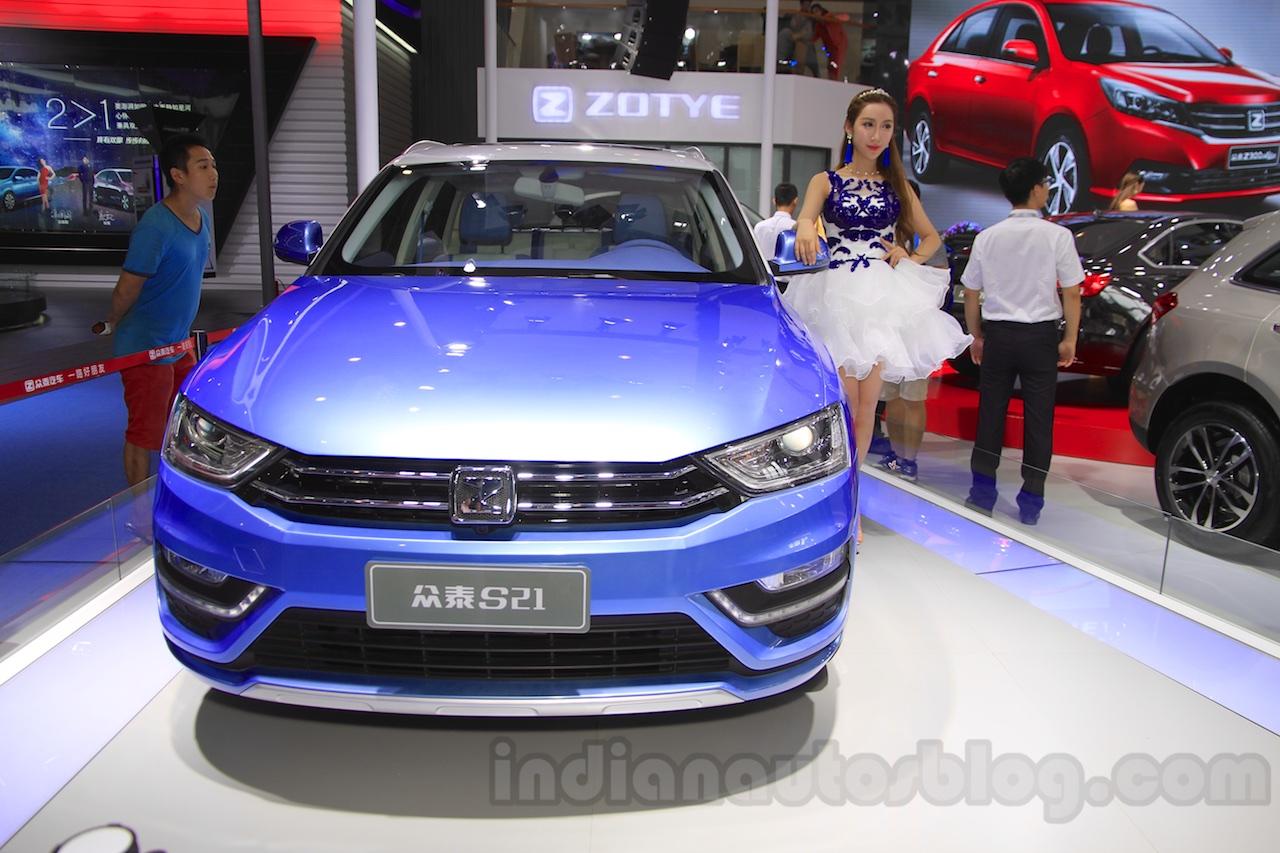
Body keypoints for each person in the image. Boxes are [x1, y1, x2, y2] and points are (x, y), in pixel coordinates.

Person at [789, 88, 972, 543]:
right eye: (869, 124)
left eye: (886, 126)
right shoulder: (824, 181)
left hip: (879, 298)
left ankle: (850, 505)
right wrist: (805, 229)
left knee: (867, 408)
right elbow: (805, 220)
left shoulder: (897, 187)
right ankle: (829, 499)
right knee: (840, 407)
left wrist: (908, 255)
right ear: (850, 128)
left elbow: (932, 238)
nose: (877, 134)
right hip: (833, 296)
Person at [961, 157, 1084, 525]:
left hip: (999, 334)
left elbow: (971, 292)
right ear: (1035, 189)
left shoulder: (987, 237)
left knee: (990, 414)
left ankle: (982, 493)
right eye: (1046, 183)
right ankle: (1031, 502)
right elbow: (1072, 292)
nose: (1048, 189)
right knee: (1039, 419)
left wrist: (977, 336)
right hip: (1039, 336)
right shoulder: (1057, 236)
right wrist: (1070, 338)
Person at [94, 133, 217, 490]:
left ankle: (176, 493)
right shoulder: (155, 226)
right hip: (146, 348)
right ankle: (138, 508)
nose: (214, 174)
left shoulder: (200, 219)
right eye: (203, 166)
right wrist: (113, 321)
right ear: (178, 176)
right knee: (144, 433)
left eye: (214, 165)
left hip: (177, 344)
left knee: (186, 427)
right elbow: (127, 288)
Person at [753, 182, 799, 263]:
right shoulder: (796, 228)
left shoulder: (759, 227)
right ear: (795, 201)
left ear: (774, 201)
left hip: (761, 270)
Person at [779, 1, 821, 77]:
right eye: (805, 4)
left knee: (802, 49)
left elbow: (808, 32)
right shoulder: (797, 15)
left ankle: (802, 72)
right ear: (801, 5)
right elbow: (793, 25)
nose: (806, 6)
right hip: (795, 41)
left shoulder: (811, 17)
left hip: (805, 43)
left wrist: (799, 35)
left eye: (808, 4)